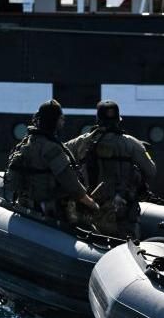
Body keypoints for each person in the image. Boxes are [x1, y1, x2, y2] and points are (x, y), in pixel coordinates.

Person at [65, 100, 156, 239]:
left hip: (90, 211)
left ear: (98, 119)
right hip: (122, 214)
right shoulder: (131, 143)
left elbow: (60, 156)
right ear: (118, 120)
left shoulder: (80, 142)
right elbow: (151, 171)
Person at [4, 99, 98, 221]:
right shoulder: (52, 148)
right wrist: (92, 204)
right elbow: (71, 185)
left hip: (24, 206)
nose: (63, 121)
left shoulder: (26, 143)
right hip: (47, 212)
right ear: (55, 121)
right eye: (61, 118)